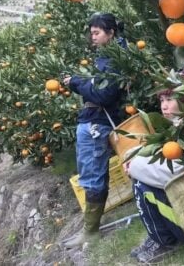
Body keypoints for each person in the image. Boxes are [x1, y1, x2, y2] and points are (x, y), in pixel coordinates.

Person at [125, 70, 184, 264]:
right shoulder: (182, 126)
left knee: (143, 185)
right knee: (142, 179)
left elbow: (178, 168)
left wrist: (135, 166)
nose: (164, 106)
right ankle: (159, 238)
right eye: (161, 101)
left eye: (169, 99)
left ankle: (164, 241)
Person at [62, 13, 126, 249]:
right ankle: (89, 229)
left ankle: (91, 232)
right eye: (92, 33)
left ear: (111, 33)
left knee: (93, 175)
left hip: (98, 124)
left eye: (97, 32)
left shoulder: (115, 59)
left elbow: (104, 93)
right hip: (93, 122)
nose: (93, 37)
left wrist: (76, 83)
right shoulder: (108, 57)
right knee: (91, 174)